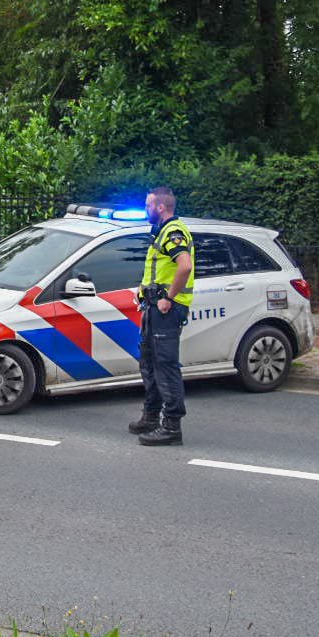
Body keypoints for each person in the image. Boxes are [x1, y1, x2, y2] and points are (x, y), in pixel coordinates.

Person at [129, 185, 195, 446]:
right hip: (153, 308)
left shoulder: (173, 232)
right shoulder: (161, 232)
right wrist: (144, 291)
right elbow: (162, 271)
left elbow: (185, 266)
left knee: (165, 367)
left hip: (166, 310)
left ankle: (171, 426)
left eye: (147, 206)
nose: (146, 210)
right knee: (149, 364)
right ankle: (151, 416)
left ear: (160, 207)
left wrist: (169, 298)